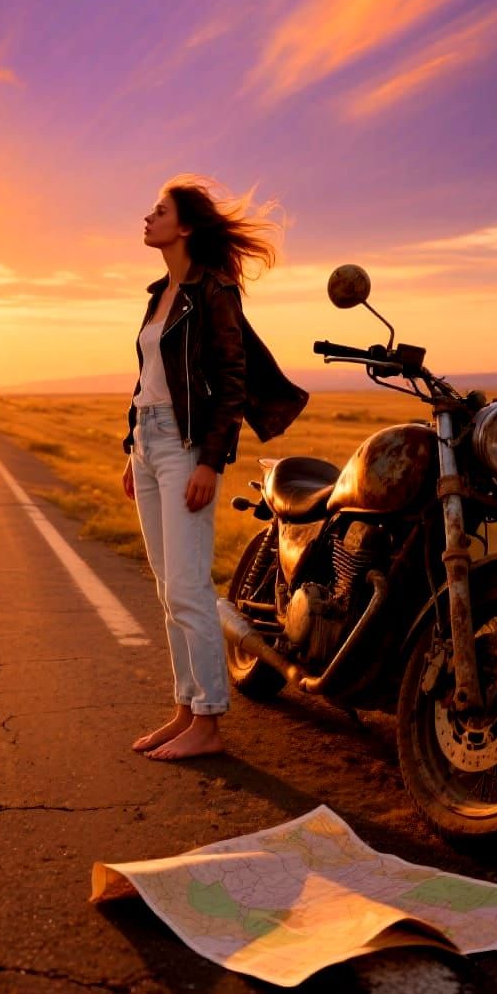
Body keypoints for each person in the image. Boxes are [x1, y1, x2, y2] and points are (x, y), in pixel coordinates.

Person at [122, 174, 308, 761]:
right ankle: (185, 710)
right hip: (150, 447)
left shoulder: (214, 291)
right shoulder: (159, 293)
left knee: (189, 587)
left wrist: (210, 459)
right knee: (167, 588)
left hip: (185, 449)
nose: (147, 218)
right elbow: (147, 382)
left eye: (159, 211)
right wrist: (131, 448)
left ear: (186, 226)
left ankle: (209, 723)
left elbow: (229, 381)